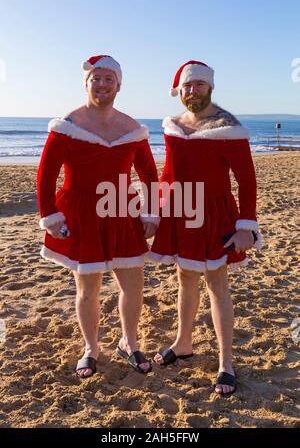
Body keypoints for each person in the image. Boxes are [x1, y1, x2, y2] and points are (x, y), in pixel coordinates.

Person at [37, 55, 159, 378]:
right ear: (86, 82)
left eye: (109, 79)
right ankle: (91, 348)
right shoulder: (68, 124)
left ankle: (128, 343)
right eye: (96, 78)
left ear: (119, 84)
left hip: (122, 211)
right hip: (81, 215)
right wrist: (50, 216)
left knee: (133, 286)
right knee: (88, 290)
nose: (102, 84)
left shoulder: (131, 128)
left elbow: (149, 173)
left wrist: (151, 212)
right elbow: (46, 175)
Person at [149, 60, 261, 395]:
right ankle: (184, 342)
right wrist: (156, 212)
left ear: (210, 87)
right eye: (187, 86)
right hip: (181, 211)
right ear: (179, 91)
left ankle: (226, 362)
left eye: (198, 85)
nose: (192, 91)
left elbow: (247, 179)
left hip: (215, 213)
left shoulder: (228, 127)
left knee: (217, 284)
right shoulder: (174, 126)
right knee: (184, 280)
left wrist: (246, 226)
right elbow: (168, 173)